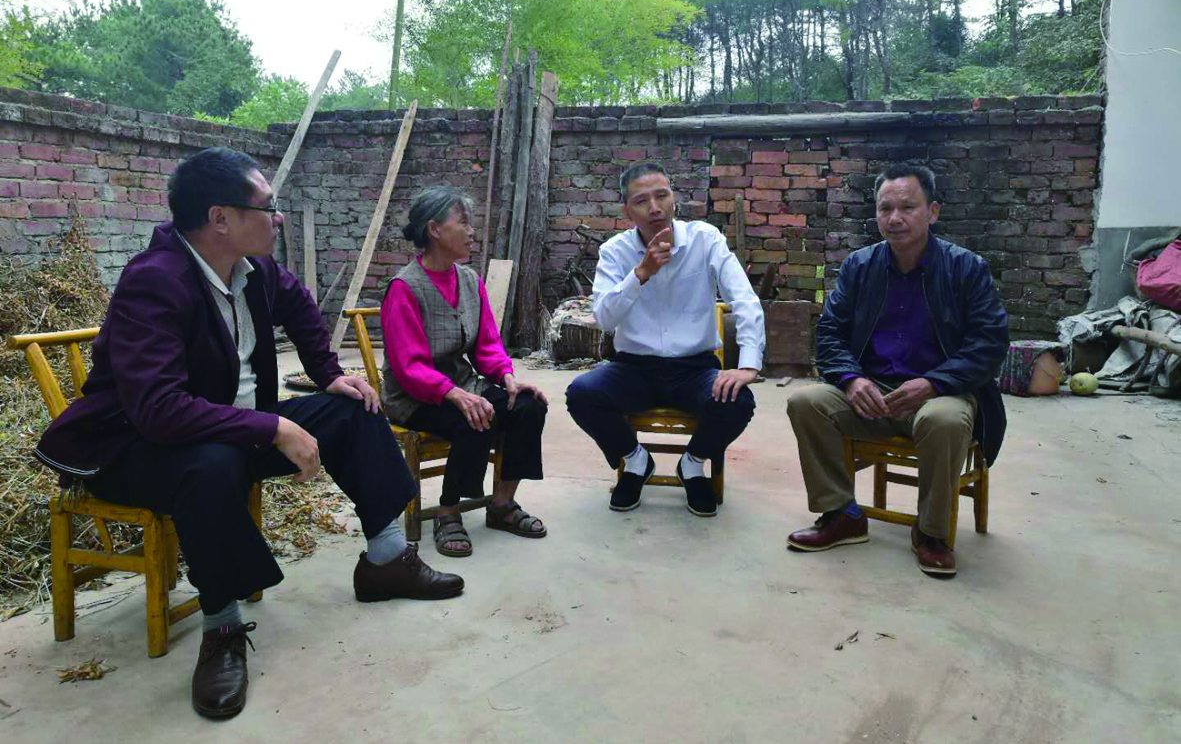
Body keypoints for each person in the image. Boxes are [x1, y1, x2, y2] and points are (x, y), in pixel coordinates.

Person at [35, 148, 463, 721]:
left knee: (356, 407)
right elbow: (158, 411)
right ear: (220, 218)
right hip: (137, 449)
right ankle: (222, 627)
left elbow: (301, 307)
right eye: (267, 206)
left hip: (231, 433)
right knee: (210, 465)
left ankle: (386, 560)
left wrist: (329, 374)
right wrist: (274, 424)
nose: (277, 217)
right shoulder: (153, 282)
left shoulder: (253, 270)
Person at [785, 163, 1009, 577]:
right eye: (885, 208)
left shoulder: (966, 268)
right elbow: (830, 333)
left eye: (908, 207)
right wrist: (851, 379)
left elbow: (990, 343)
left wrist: (934, 383)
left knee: (944, 421)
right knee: (806, 402)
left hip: (941, 393)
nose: (895, 218)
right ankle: (842, 515)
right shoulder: (859, 266)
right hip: (873, 393)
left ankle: (932, 533)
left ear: (933, 212)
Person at [565, 163, 765, 517]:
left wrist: (748, 364)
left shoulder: (705, 240)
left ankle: (693, 464)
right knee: (582, 394)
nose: (655, 208)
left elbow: (744, 299)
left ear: (674, 199)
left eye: (662, 195)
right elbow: (605, 319)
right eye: (641, 201)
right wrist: (640, 274)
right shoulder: (615, 251)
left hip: (694, 369)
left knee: (738, 401)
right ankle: (636, 460)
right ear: (627, 211)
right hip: (634, 369)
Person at [380, 187, 548, 559]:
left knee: (528, 406)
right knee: (475, 416)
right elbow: (409, 368)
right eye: (464, 223)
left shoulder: (470, 281)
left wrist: (507, 378)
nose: (472, 232)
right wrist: (456, 395)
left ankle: (502, 504)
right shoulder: (404, 288)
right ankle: (448, 511)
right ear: (435, 230)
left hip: (462, 384)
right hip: (413, 396)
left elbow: (487, 345)